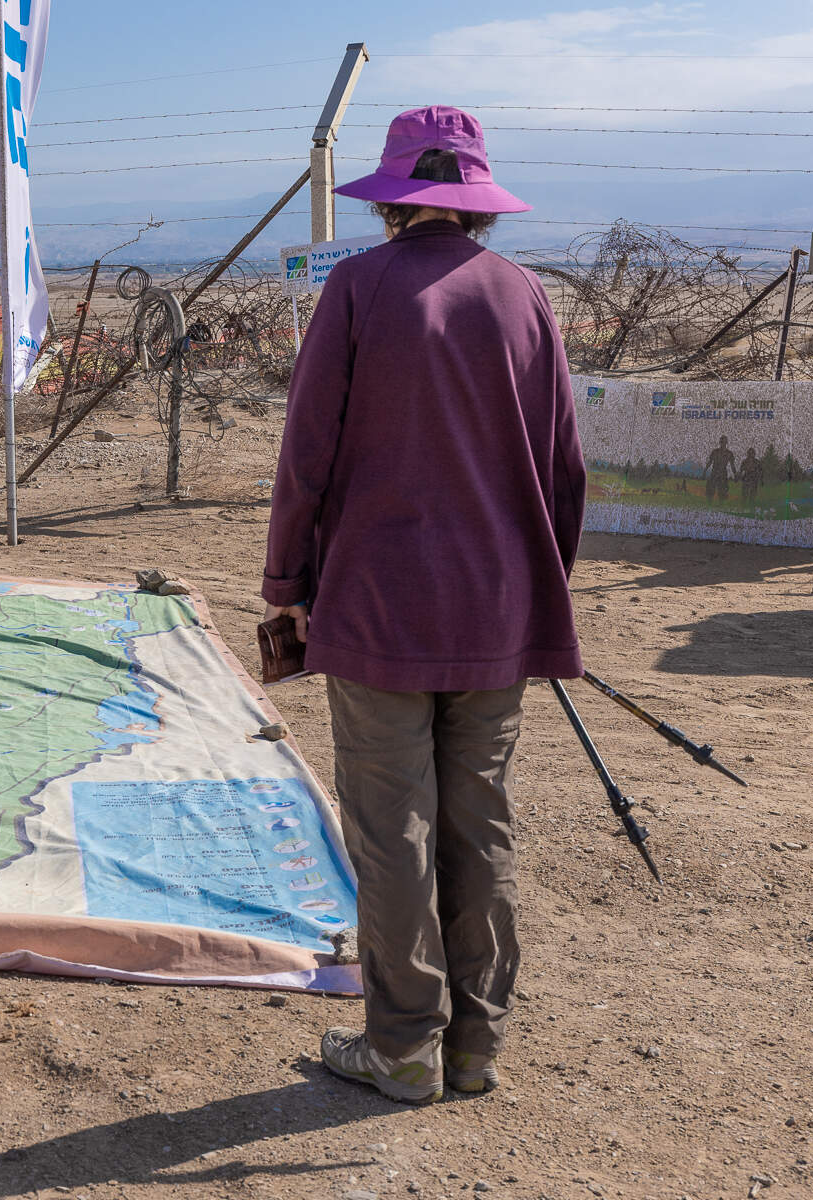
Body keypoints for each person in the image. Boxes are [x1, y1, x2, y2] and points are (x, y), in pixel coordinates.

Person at [262, 106, 585, 1105]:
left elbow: (306, 456)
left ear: (397, 195)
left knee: (391, 826)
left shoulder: (358, 291)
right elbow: (566, 470)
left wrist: (286, 587)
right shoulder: (526, 297)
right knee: (480, 821)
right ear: (476, 201)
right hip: (495, 608)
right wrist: (539, 590)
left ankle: (404, 1043)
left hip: (374, 607)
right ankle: (475, 1044)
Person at [705, 435, 736, 502]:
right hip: (714, 472)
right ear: (720, 442)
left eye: (724, 442)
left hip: (723, 473)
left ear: (726, 443)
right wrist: (705, 471)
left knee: (722, 491)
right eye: (722, 442)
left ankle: (721, 504)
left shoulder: (729, 453)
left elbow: (732, 465)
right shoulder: (715, 451)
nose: (723, 443)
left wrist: (735, 474)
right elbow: (710, 462)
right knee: (710, 490)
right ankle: (709, 503)